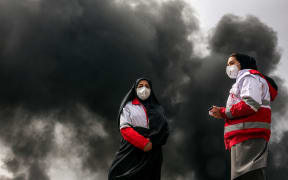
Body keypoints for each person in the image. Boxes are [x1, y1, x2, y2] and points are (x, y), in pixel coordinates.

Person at [209, 53, 278, 180]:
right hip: (245, 136)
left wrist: (223, 112)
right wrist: (222, 112)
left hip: (248, 137)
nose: (228, 67)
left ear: (242, 63)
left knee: (249, 176)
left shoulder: (249, 77)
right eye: (227, 64)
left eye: (231, 63)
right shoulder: (246, 79)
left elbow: (251, 104)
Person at [108, 78, 169, 180]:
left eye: (147, 86)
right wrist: (144, 143)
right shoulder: (128, 107)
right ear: (135, 89)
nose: (144, 89)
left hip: (153, 153)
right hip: (132, 150)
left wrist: (153, 140)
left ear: (151, 90)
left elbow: (165, 130)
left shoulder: (158, 109)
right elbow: (125, 129)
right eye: (140, 86)